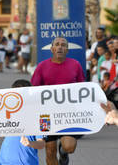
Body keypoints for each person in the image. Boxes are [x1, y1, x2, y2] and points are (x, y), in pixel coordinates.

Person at [31, 37, 85, 165]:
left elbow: (83, 89)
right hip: (46, 115)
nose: (60, 47)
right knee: (50, 151)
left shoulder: (75, 65)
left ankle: (63, 153)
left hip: (69, 113)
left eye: (63, 45)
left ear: (67, 49)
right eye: (57, 44)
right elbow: (33, 91)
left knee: (69, 147)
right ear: (52, 49)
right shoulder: (42, 66)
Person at [0, 79, 45, 165]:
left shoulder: (41, 116)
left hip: (27, 162)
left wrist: (30, 143)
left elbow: (42, 144)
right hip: (5, 161)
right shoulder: (9, 112)